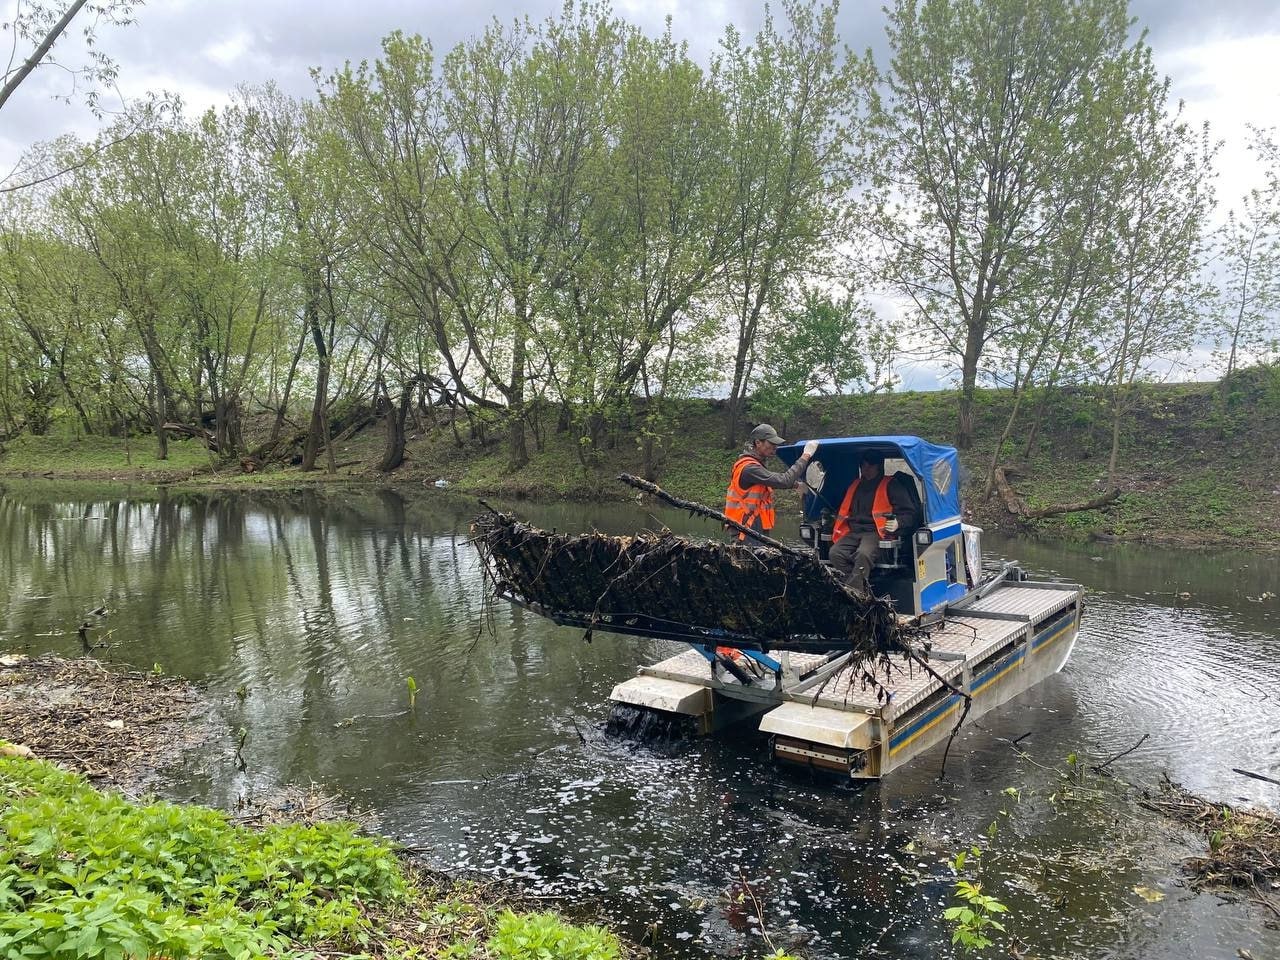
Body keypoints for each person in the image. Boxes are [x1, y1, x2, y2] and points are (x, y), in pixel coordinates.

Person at [828, 450, 919, 595]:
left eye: (870, 465)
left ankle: (855, 593)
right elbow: (843, 510)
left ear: (879, 466)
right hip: (854, 531)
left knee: (863, 554)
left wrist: (898, 522)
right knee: (835, 553)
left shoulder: (891, 485)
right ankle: (855, 585)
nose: (866, 469)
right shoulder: (854, 485)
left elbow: (911, 514)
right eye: (863, 465)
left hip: (877, 532)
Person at [723, 423, 819, 542]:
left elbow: (770, 482)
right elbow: (783, 481)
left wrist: (797, 485)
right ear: (758, 442)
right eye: (771, 443)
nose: (775, 447)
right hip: (745, 530)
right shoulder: (749, 468)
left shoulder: (755, 465)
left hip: (753, 529)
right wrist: (806, 455)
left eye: (776, 444)